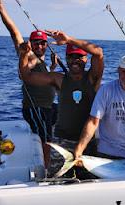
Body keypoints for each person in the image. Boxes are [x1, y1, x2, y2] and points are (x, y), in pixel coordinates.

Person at [18, 30, 104, 177]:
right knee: (56, 184)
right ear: (66, 58)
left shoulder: (92, 78)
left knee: (89, 184)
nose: (75, 60)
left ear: (86, 59)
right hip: (61, 142)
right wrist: (24, 54)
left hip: (87, 143)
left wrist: (69, 39)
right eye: (71, 56)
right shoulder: (59, 79)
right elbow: (27, 76)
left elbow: (98, 53)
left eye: (79, 56)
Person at [0, 1, 57, 168]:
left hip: (48, 107)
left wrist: (52, 67)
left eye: (42, 43)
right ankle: (45, 172)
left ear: (46, 45)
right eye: (36, 42)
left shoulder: (43, 61)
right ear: (30, 43)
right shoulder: (28, 55)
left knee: (70, 116)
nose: (39, 45)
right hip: (35, 108)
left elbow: (45, 81)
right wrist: (2, 9)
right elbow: (13, 31)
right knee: (46, 139)